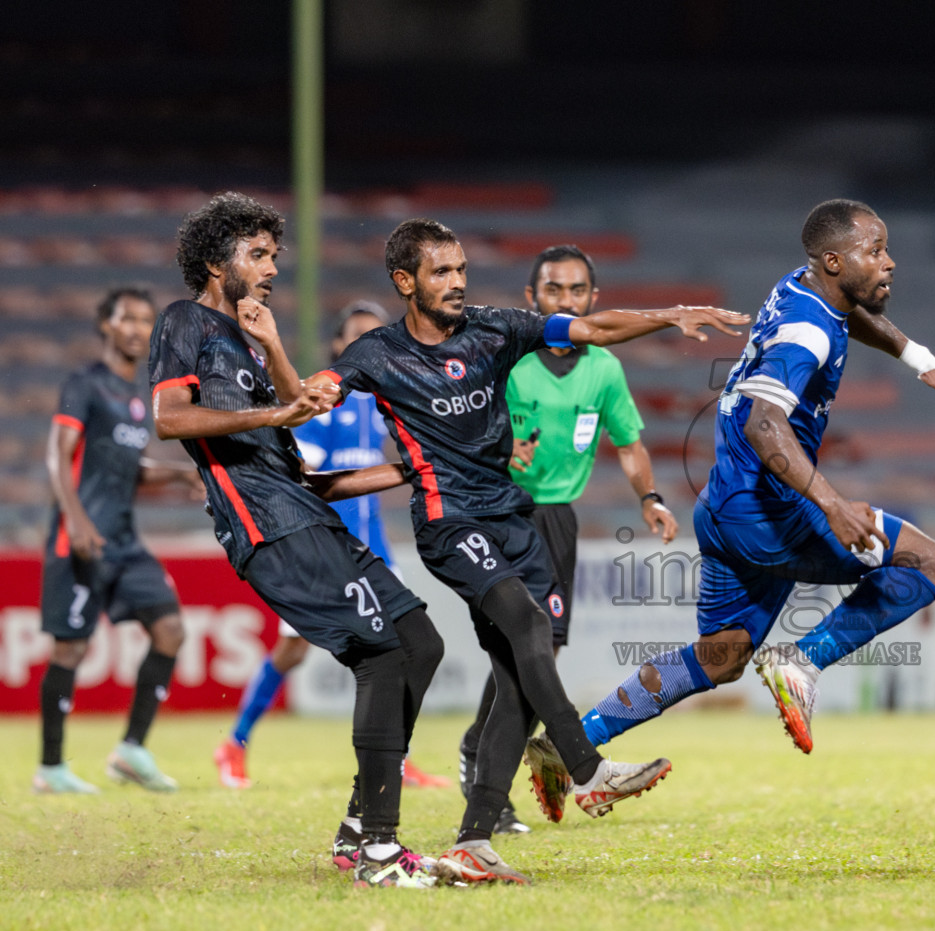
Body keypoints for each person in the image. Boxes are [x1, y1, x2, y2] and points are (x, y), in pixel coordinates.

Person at [518, 199, 935, 822]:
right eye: (875, 250)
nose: (889, 262)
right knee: (929, 563)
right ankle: (802, 662)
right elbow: (766, 424)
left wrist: (920, 359)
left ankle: (568, 745)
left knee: (721, 656)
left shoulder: (806, 288)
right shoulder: (806, 333)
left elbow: (853, 317)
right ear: (833, 260)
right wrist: (832, 503)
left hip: (723, 506)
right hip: (769, 513)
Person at [315, 217, 749, 884]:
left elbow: (595, 332)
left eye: (461, 269)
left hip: (514, 518)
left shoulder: (496, 329)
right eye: (441, 272)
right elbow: (307, 401)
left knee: (524, 665)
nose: (458, 282)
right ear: (405, 282)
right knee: (525, 624)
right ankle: (586, 765)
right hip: (450, 524)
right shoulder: (375, 354)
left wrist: (670, 315)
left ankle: (474, 838)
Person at [151, 192, 446, 888]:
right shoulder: (185, 321)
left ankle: (357, 827)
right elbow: (168, 418)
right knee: (379, 654)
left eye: (274, 254)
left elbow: (301, 441)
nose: (272, 266)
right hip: (266, 526)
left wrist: (408, 467)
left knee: (420, 642)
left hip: (307, 513)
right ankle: (378, 849)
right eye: (257, 253)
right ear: (214, 261)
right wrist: (277, 406)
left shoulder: (246, 345)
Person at [456, 245, 678, 835]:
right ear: (532, 299)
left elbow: (628, 442)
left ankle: (481, 752)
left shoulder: (603, 367)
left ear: (593, 300)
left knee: (539, 651)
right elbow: (461, 430)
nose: (566, 300)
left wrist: (649, 497)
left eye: (577, 291)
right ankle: (496, 772)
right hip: (499, 512)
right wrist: (501, 453)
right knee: (522, 649)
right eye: (554, 290)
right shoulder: (508, 358)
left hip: (556, 520)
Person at [213, 301, 450, 792]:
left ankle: (396, 760)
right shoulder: (319, 404)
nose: (371, 342)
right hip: (326, 553)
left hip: (377, 551)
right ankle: (234, 743)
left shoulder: (387, 403)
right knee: (292, 651)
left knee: (413, 646)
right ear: (340, 347)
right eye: (357, 335)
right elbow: (308, 480)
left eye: (377, 333)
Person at [34, 287, 201, 795]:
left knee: (170, 630)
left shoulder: (135, 400)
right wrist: (77, 521)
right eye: (126, 318)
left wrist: (176, 475)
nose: (136, 328)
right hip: (80, 539)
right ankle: (51, 769)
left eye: (145, 320)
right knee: (71, 649)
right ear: (106, 325)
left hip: (126, 543)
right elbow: (56, 458)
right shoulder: (84, 384)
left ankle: (131, 750)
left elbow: (128, 468)